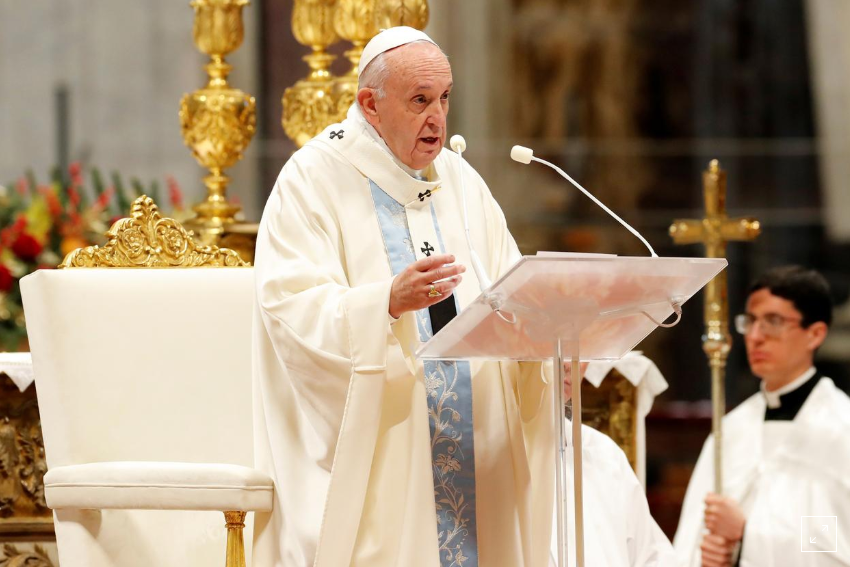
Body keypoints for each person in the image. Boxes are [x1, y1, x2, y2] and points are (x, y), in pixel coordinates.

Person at [251, 27, 555, 567]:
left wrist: (547, 351)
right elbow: (289, 307)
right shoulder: (312, 179)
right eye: (420, 100)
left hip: (477, 449)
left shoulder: (460, 180)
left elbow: (512, 291)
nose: (437, 118)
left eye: (444, 98)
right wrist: (385, 302)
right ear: (371, 104)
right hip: (387, 454)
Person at [673, 266, 850, 566]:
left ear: (815, 334)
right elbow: (691, 539)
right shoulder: (731, 429)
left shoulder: (840, 429)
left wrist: (746, 534)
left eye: (773, 322)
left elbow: (831, 547)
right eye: (751, 321)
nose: (755, 336)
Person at [548, 364, 677, 567]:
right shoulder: (497, 454)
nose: (569, 364)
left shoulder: (604, 453)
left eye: (581, 351)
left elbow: (653, 556)